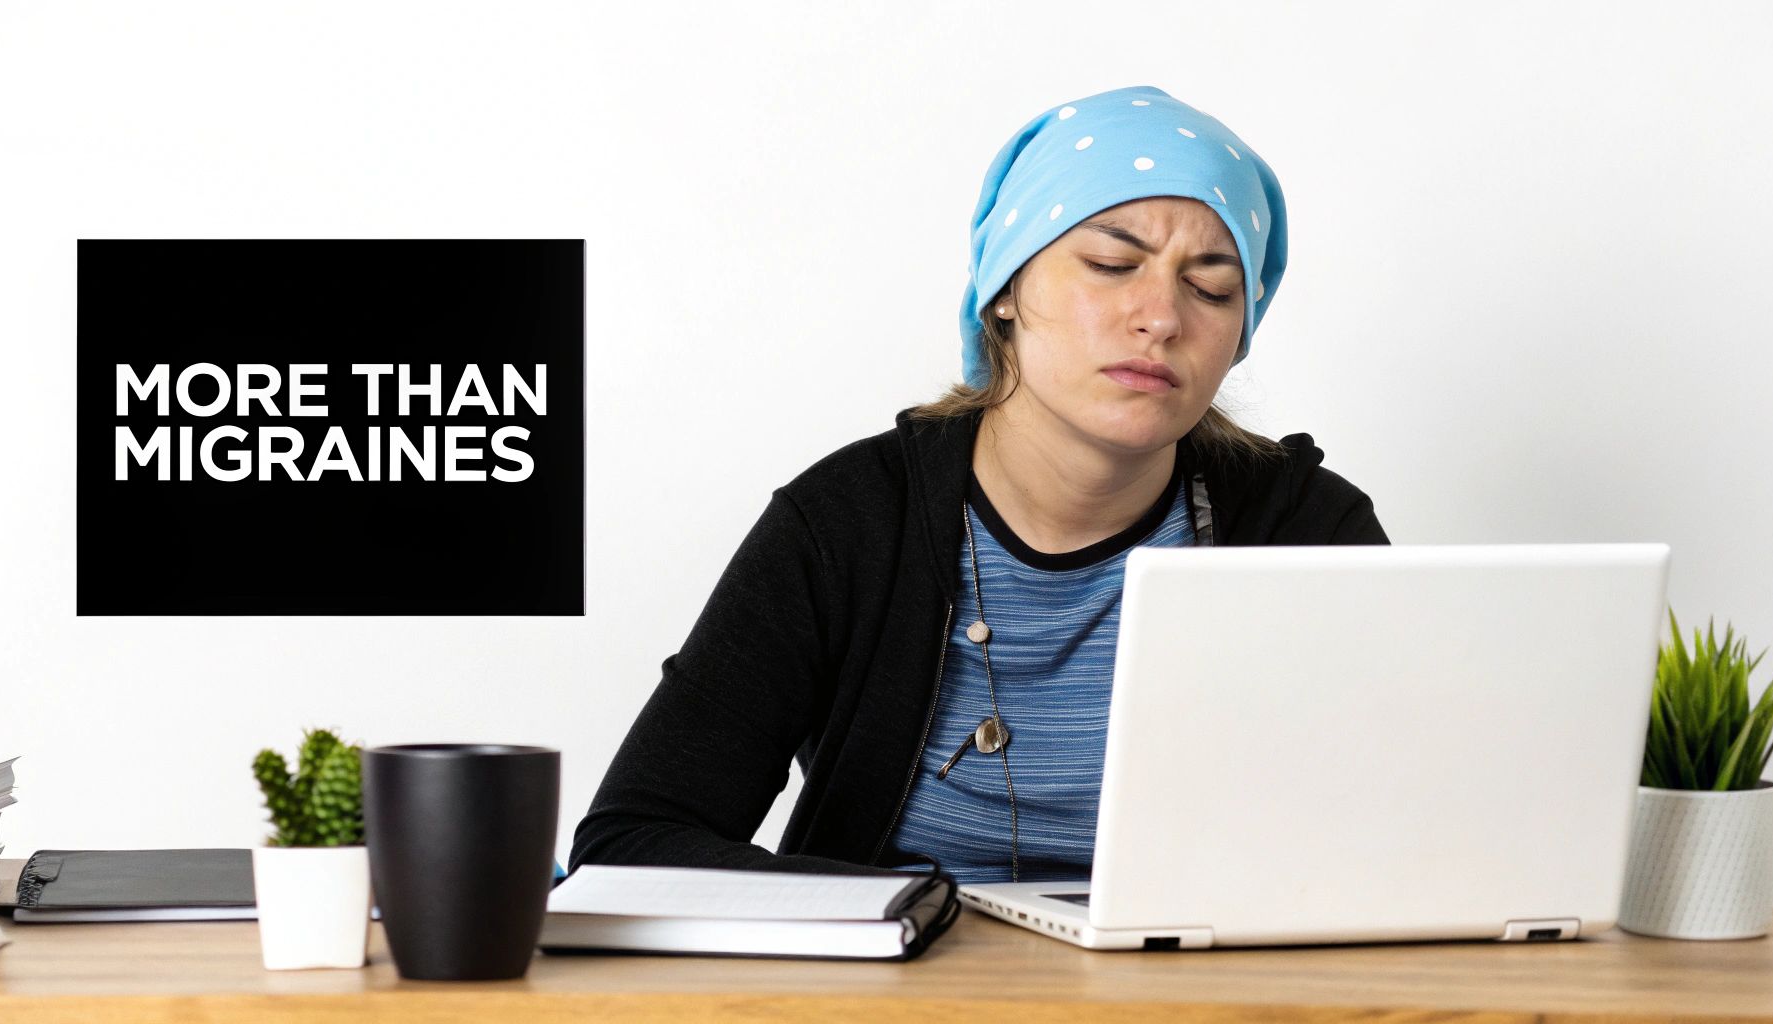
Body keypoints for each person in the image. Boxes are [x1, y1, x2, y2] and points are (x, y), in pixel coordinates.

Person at [571, 84, 1390, 883]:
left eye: (1211, 286)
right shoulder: (847, 523)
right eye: (1111, 263)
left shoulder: (1308, 528)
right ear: (1004, 290)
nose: (1161, 317)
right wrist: (920, 912)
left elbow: (1416, 830)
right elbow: (634, 840)